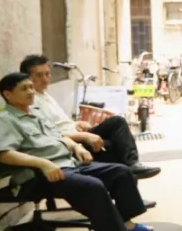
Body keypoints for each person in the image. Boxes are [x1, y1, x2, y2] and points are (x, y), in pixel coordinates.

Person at [0, 73, 151, 231]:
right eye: (24, 88)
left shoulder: (36, 113)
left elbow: (59, 136)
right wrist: (43, 164)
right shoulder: (4, 120)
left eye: (31, 87)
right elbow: (5, 155)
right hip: (40, 175)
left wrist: (76, 147)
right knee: (92, 187)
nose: (31, 91)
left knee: (120, 171)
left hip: (68, 164)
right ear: (8, 94)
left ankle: (126, 224)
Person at [20, 55, 161, 181]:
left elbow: (58, 122)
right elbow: (49, 134)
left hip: (75, 133)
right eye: (39, 75)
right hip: (68, 143)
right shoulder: (30, 102)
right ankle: (129, 181)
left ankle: (133, 165)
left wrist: (75, 123)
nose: (45, 79)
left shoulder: (44, 94)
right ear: (27, 77)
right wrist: (84, 136)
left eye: (47, 74)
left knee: (117, 123)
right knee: (114, 147)